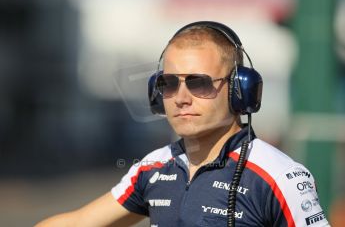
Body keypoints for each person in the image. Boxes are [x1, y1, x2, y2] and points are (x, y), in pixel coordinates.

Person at [36, 21, 330, 227]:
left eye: (198, 83)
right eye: (169, 84)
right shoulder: (152, 167)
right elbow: (78, 222)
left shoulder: (280, 176)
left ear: (239, 90)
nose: (181, 97)